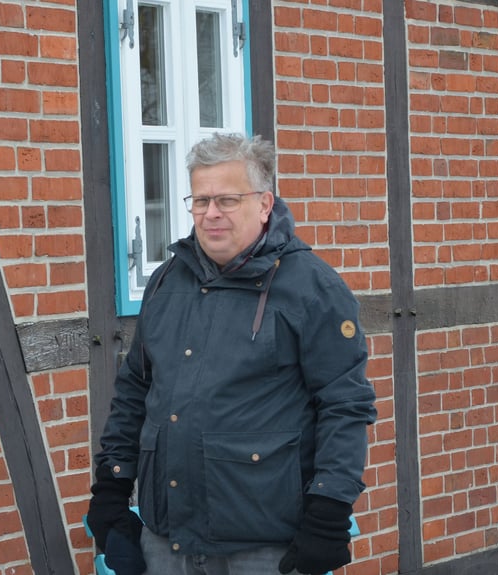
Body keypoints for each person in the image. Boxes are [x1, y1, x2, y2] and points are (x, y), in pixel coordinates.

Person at [86, 133, 377, 575]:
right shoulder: (166, 282)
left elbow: (345, 405)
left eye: (227, 199)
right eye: (200, 201)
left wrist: (329, 510)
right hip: (166, 538)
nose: (211, 213)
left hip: (264, 545)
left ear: (264, 204)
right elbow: (134, 391)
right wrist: (111, 488)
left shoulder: (312, 288)